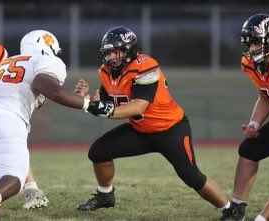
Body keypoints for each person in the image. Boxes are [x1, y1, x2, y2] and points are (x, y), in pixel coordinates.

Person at [75, 26, 231, 218]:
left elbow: (137, 107)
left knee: (191, 176)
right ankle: (105, 196)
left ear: (129, 50)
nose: (112, 57)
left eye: (117, 51)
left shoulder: (145, 66)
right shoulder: (106, 72)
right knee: (99, 152)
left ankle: (230, 209)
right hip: (140, 130)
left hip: (170, 129)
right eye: (108, 52)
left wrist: (93, 106)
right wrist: (91, 101)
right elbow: (109, 105)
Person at [0, 29, 114, 221]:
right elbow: (43, 84)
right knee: (14, 178)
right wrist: (86, 104)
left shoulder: (7, 63)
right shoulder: (48, 61)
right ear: (47, 47)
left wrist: (76, 98)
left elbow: (33, 96)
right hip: (9, 120)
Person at [0, 36, 50, 210]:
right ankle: (30, 191)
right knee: (12, 149)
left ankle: (32, 190)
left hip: (6, 101)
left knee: (11, 144)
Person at [218, 13, 269, 221]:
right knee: (248, 150)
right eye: (248, 43)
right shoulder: (252, 63)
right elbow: (266, 96)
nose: (251, 48)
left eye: (255, 42)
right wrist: (254, 122)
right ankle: (237, 208)